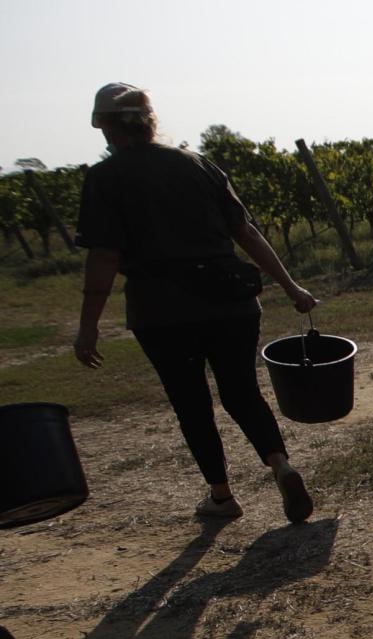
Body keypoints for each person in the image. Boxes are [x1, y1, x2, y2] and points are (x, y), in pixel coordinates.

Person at [72, 82, 318, 523]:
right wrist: (291, 287)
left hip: (161, 309)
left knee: (190, 401)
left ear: (107, 127)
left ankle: (222, 497)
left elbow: (104, 255)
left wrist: (88, 325)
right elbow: (246, 233)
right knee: (242, 392)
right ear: (150, 121)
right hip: (230, 300)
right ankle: (282, 465)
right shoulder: (197, 164)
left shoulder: (106, 178)